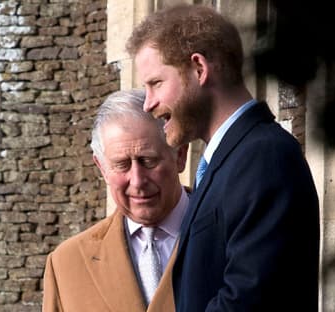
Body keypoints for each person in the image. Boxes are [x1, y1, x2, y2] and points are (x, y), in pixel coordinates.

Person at [126, 4, 320, 312]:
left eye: (156, 84)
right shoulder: (227, 160)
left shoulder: (263, 157)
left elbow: (248, 301)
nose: (148, 104)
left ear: (199, 69)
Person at [42, 89, 189, 312]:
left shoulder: (233, 238)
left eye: (148, 161)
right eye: (122, 165)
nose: (137, 181)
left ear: (180, 156)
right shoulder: (67, 265)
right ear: (102, 168)